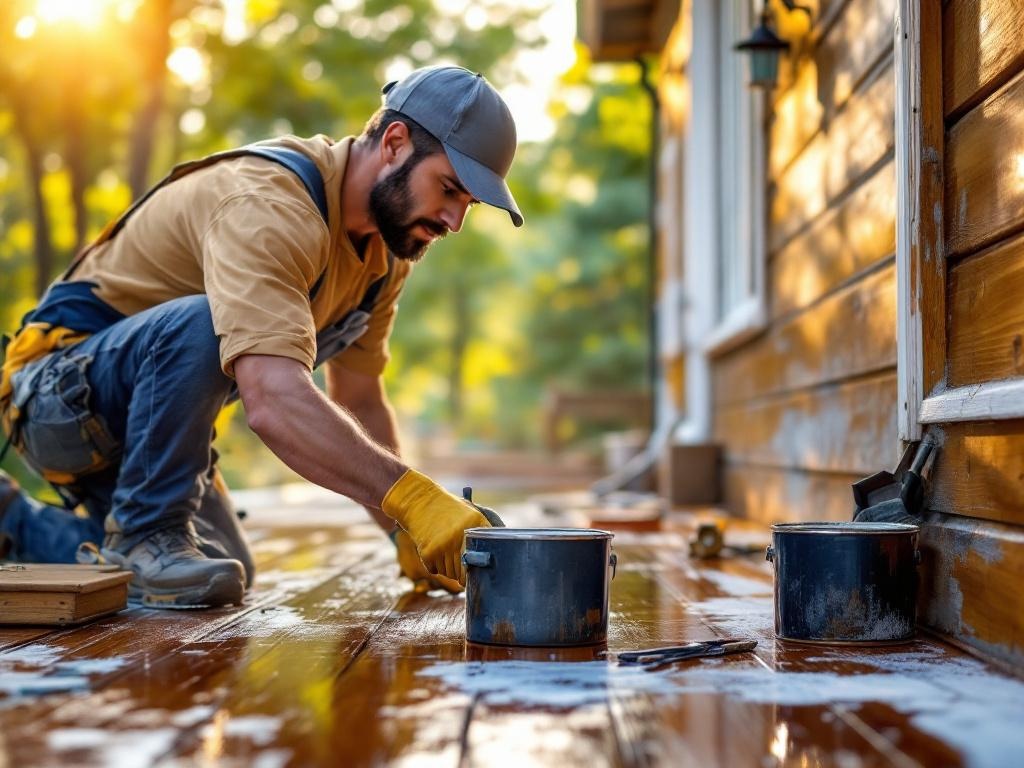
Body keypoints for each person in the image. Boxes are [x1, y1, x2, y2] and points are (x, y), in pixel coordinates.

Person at [0, 65, 521, 609]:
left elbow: (361, 402)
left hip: (141, 425)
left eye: (470, 204)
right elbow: (271, 399)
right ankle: (142, 532)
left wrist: (402, 531)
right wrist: (416, 499)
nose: (456, 221)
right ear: (394, 143)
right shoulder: (269, 205)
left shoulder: (383, 260)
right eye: (450, 189)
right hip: (56, 395)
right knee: (201, 322)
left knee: (216, 573)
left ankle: (13, 521)